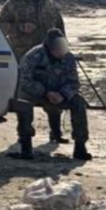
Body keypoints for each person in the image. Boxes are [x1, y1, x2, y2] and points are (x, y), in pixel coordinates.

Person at [0, 0, 70, 145]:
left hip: (49, 58)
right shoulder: (13, 4)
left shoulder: (49, 4)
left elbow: (59, 28)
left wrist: (63, 50)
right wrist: (21, 28)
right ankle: (25, 134)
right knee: (25, 97)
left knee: (53, 94)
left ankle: (55, 132)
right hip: (24, 57)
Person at [11, 29, 92, 162]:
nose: (61, 52)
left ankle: (80, 146)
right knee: (23, 103)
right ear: (49, 48)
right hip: (35, 93)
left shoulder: (69, 57)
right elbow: (24, 81)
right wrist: (45, 92)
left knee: (79, 103)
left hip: (59, 92)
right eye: (57, 49)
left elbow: (74, 82)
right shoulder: (32, 56)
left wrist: (63, 95)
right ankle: (26, 145)